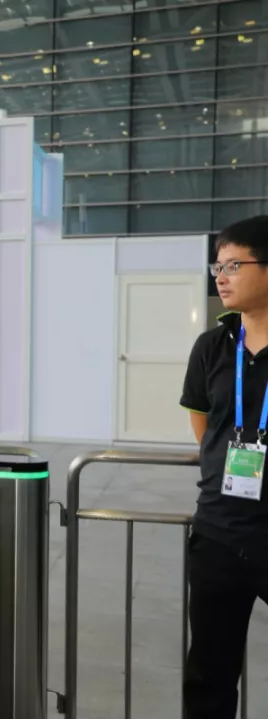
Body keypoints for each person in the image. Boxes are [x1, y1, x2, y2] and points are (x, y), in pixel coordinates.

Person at [181, 216, 268, 718]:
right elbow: (203, 424)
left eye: (234, 265)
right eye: (218, 266)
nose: (221, 276)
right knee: (209, 674)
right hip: (218, 532)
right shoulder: (212, 346)